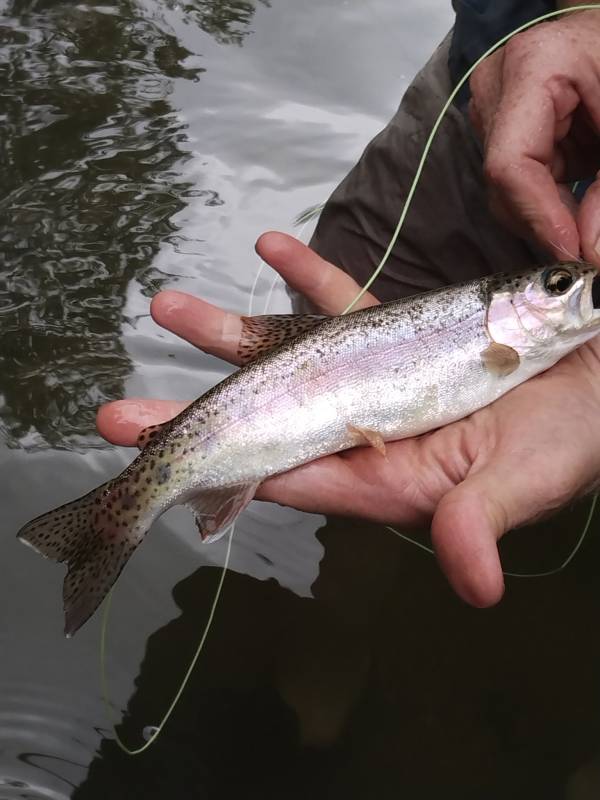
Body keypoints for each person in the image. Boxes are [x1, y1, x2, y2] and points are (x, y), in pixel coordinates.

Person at [97, 0, 600, 608]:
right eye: (556, 285)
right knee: (338, 275)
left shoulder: (523, 342)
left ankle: (344, 613)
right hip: (500, 89)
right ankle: (333, 604)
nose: (570, 291)